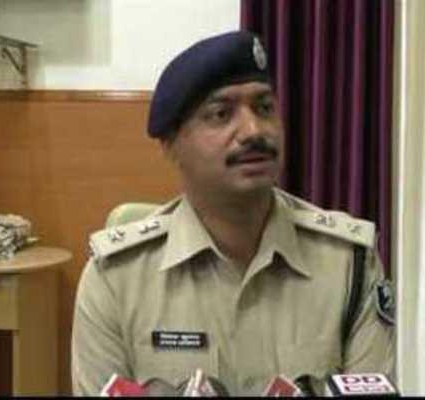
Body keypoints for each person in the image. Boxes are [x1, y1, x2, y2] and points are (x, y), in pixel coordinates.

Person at [71, 30, 395, 396]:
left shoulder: (349, 264)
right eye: (221, 114)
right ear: (171, 145)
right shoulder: (116, 279)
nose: (254, 130)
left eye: (265, 108)